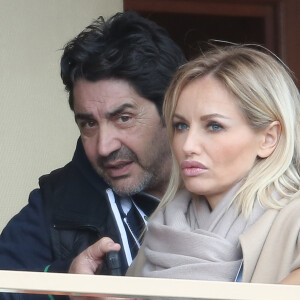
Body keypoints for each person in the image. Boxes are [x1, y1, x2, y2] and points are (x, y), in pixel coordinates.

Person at [0, 11, 186, 299]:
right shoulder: (54, 204)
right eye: (88, 123)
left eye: (123, 118)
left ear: (172, 109)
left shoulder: (240, 191)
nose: (104, 147)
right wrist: (64, 286)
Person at [125, 44, 300, 284]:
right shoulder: (162, 228)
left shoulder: (294, 222)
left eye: (214, 126)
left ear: (269, 139)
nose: (188, 145)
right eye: (181, 126)